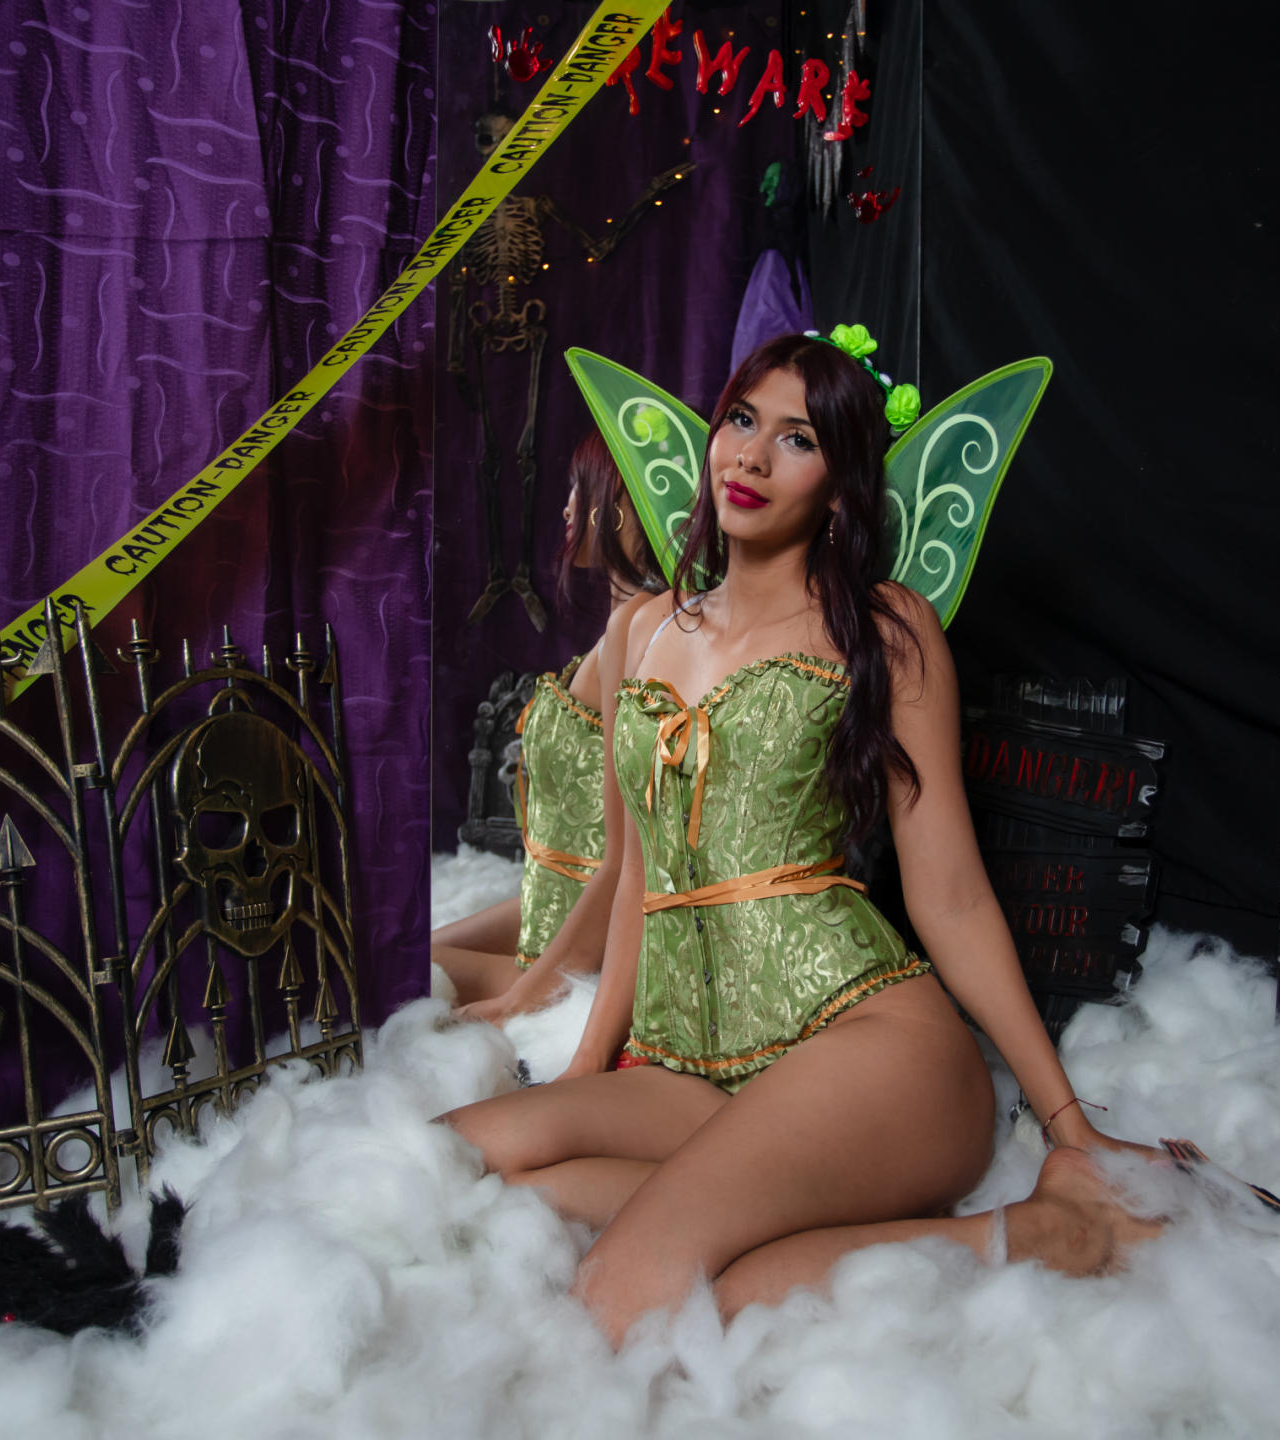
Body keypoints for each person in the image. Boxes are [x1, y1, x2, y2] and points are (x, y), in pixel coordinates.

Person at [444, 332, 1198, 1345]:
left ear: (841, 490)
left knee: (630, 1298)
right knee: (461, 1164)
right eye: (741, 420)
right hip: (690, 1071)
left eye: (797, 439)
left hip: (869, 1052)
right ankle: (774, 1210)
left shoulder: (885, 630)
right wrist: (585, 1069)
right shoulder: (645, 631)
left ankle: (1055, 1229)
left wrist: (1068, 1123)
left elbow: (953, 896)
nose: (752, 456)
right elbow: (635, 881)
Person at [434, 431, 663, 1017]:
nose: (566, 508)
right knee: (408, 956)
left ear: (621, 502)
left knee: (394, 975)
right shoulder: (625, 622)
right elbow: (567, 861)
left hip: (585, 941)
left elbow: (623, 860)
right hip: (552, 909)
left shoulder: (636, 627)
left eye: (579, 489)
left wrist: (520, 999)